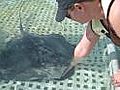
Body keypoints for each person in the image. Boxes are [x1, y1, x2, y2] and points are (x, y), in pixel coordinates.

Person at [55, 0, 120, 87]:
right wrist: (70, 66)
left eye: (68, 16)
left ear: (79, 7)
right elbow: (82, 49)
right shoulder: (97, 19)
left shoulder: (116, 12)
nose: (71, 20)